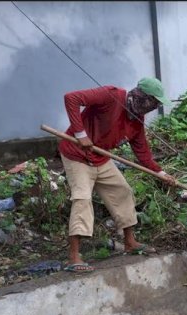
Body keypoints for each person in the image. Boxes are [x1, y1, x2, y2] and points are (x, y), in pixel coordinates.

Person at [58, 77, 176, 272]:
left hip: (100, 159)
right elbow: (71, 98)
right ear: (142, 97)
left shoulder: (137, 120)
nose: (154, 107)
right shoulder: (112, 95)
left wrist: (161, 173)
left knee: (123, 191)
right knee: (82, 198)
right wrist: (81, 135)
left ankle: (130, 242)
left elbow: (142, 152)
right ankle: (74, 257)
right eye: (153, 102)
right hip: (76, 155)